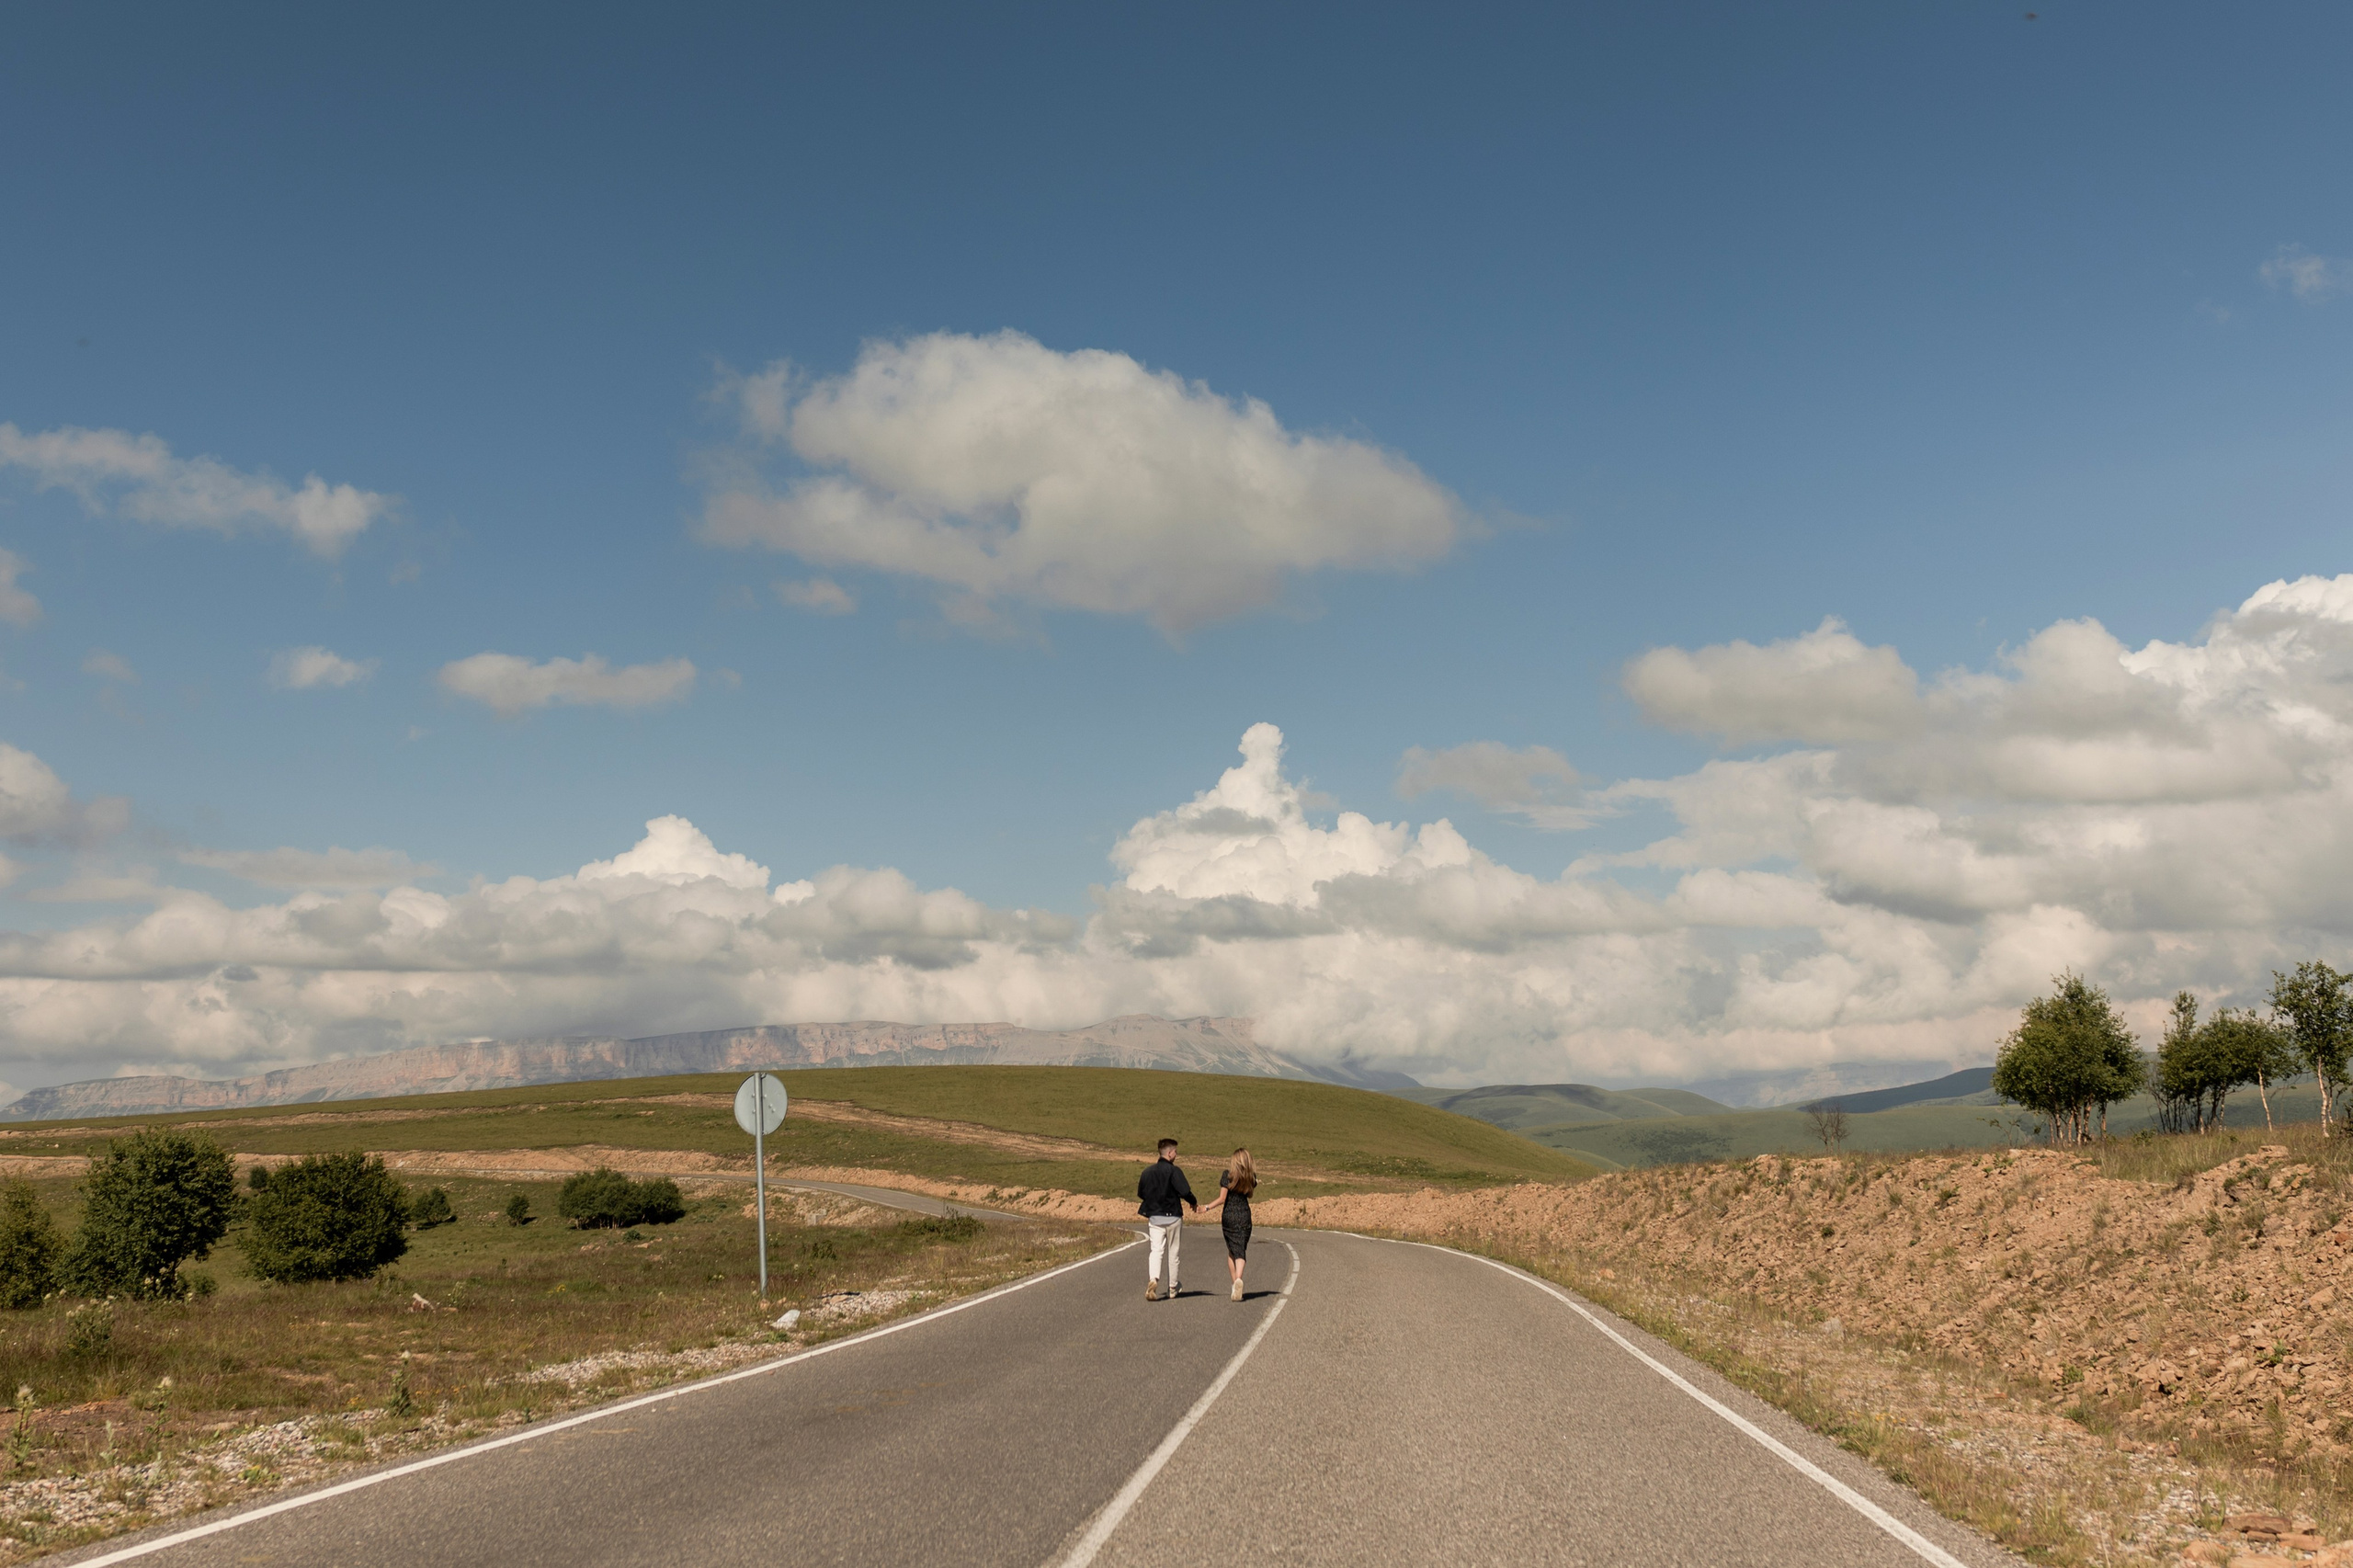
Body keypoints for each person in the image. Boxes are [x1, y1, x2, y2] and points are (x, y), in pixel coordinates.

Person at [1136, 1136, 1196, 1300]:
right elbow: (1185, 1191)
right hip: (1173, 1217)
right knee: (1173, 1252)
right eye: (1175, 1152)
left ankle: (1153, 1279)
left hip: (1155, 1217)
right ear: (1169, 1153)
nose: (1176, 1154)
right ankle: (1172, 1287)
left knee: (1156, 1250)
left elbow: (1141, 1193)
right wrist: (1193, 1202)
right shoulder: (1174, 1171)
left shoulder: (1147, 1172)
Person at [1200, 1147, 1256, 1301]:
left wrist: (1206, 1207)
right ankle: (1239, 1279)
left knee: (1232, 1250)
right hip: (1244, 1215)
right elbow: (1250, 1194)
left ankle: (1235, 1283)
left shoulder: (1228, 1176)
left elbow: (1222, 1198)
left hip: (1229, 1216)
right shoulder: (1251, 1177)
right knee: (1241, 1250)